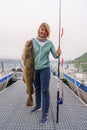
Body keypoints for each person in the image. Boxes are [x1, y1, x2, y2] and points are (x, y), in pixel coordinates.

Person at [26, 22, 61, 125]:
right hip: (34, 70)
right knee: (37, 88)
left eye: (45, 30)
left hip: (45, 69)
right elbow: (27, 54)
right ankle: (38, 105)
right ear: (39, 30)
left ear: (48, 33)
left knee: (45, 90)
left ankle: (45, 114)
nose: (43, 31)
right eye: (42, 29)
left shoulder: (49, 43)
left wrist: (58, 53)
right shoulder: (32, 41)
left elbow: (55, 55)